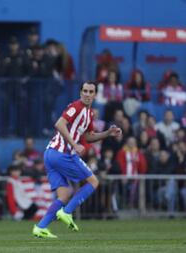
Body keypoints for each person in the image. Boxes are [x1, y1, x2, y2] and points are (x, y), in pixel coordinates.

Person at [32, 80, 122, 239]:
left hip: (50, 154)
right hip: (63, 153)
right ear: (80, 93)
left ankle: (40, 227)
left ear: (95, 94)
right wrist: (74, 144)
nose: (87, 94)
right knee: (93, 182)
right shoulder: (76, 106)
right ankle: (67, 212)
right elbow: (59, 124)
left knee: (64, 195)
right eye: (85, 91)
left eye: (90, 91)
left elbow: (88, 136)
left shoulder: (89, 113)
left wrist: (107, 133)